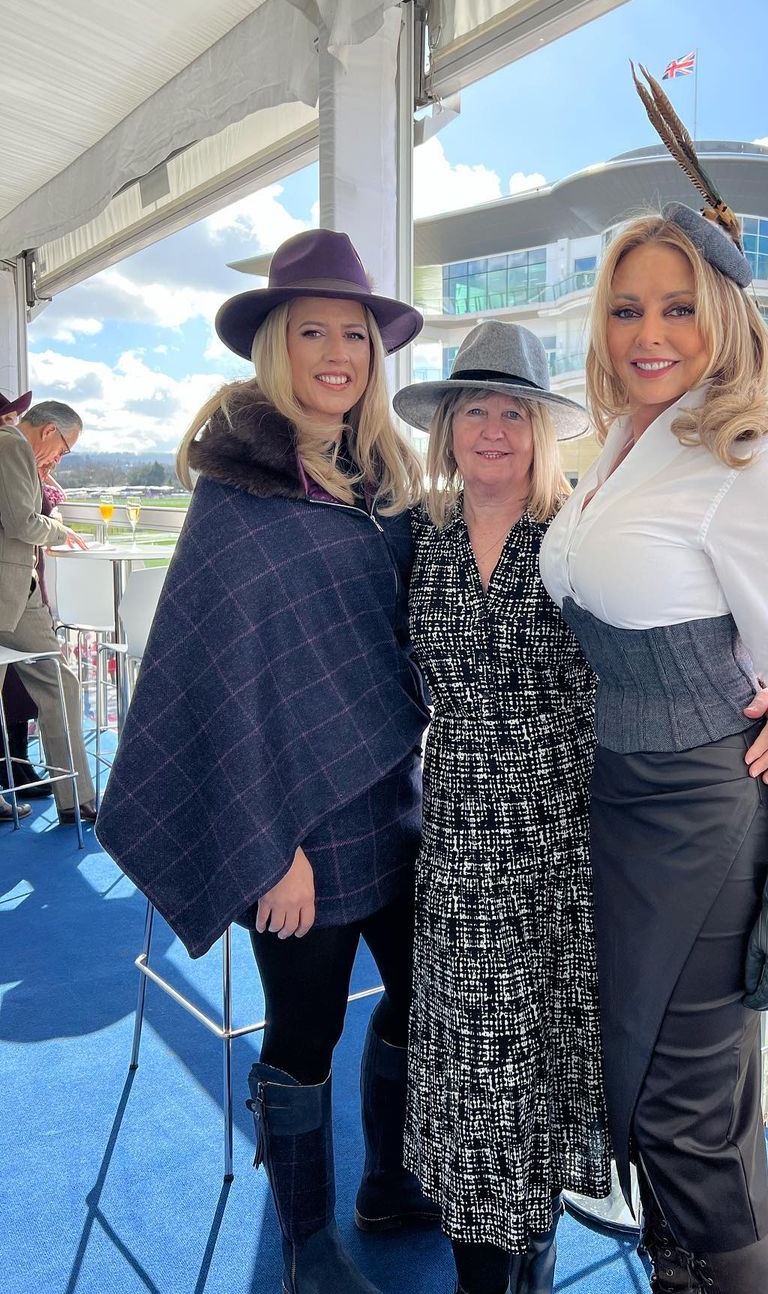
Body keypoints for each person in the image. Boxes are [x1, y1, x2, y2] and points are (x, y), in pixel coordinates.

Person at [393, 321, 768, 1294]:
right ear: (446, 430)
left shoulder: (574, 540)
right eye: (474, 411)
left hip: (567, 839)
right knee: (469, 1071)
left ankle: (529, 1257)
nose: (492, 429)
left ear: (541, 431)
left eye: (512, 412)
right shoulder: (418, 539)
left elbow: (696, 627)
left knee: (542, 1068)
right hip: (458, 842)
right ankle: (483, 1267)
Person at [96, 230, 436, 1294]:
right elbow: (215, 682)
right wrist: (267, 846)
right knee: (305, 1031)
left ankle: (390, 1181)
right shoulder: (235, 498)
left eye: (356, 335)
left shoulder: (386, 485)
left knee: (424, 997)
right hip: (293, 829)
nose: (338, 354)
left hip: (396, 803)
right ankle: (306, 1249)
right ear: (276, 348)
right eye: (313, 333)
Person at [540, 188, 768, 1290]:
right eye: (627, 309)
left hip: (703, 821)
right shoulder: (624, 444)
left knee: (688, 1125)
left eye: (678, 308)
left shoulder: (750, 464)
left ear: (721, 317)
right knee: (649, 1102)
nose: (650, 334)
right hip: (620, 804)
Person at [0, 398, 97, 824]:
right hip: (8, 592)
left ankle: (76, 797)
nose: (60, 457)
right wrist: (59, 529)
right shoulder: (11, 445)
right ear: (48, 431)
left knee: (61, 683)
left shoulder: (15, 450)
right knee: (59, 683)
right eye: (65, 448)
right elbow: (22, 522)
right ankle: (76, 800)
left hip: (20, 593)